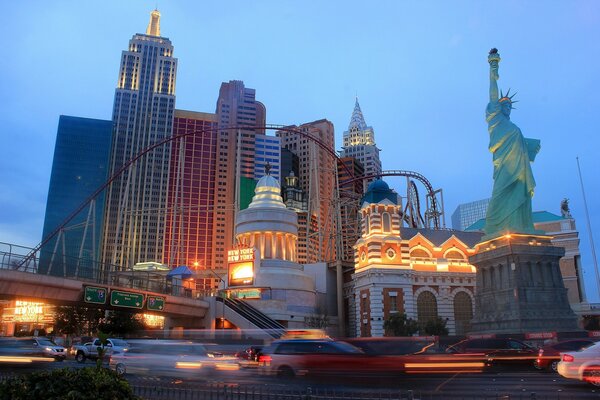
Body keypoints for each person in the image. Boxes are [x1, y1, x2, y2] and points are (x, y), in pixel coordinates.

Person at [483, 49, 540, 239]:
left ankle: (520, 225)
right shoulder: (496, 119)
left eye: (509, 106)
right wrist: (494, 67)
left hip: (520, 170)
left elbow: (522, 146)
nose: (506, 107)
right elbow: (492, 94)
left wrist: (530, 146)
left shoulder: (514, 127)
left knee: (521, 196)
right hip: (504, 168)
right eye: (503, 105)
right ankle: (494, 228)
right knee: (498, 199)